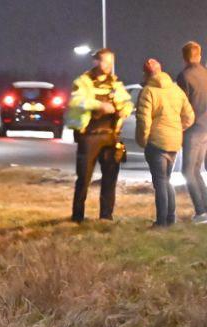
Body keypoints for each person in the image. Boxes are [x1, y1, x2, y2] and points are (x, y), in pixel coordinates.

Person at [67, 48, 133, 223]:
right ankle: (78, 216)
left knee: (110, 177)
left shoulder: (115, 83)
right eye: (105, 61)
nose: (108, 66)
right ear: (96, 62)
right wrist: (99, 106)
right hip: (89, 136)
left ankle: (106, 216)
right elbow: (75, 101)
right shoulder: (83, 81)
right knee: (84, 177)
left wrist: (124, 110)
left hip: (111, 136)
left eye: (111, 62)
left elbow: (126, 102)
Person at [136, 58, 196, 227]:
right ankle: (170, 218)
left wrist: (143, 140)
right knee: (166, 179)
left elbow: (143, 121)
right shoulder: (176, 90)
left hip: (157, 143)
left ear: (146, 73)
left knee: (160, 181)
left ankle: (161, 222)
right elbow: (190, 117)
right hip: (174, 142)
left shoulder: (148, 91)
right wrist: (177, 128)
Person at [176, 41, 207, 223]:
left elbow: (182, 105)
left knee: (188, 171)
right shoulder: (206, 74)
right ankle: (205, 208)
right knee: (196, 170)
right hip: (206, 129)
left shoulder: (184, 77)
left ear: (184, 57)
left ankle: (201, 211)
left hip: (193, 129)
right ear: (199, 55)